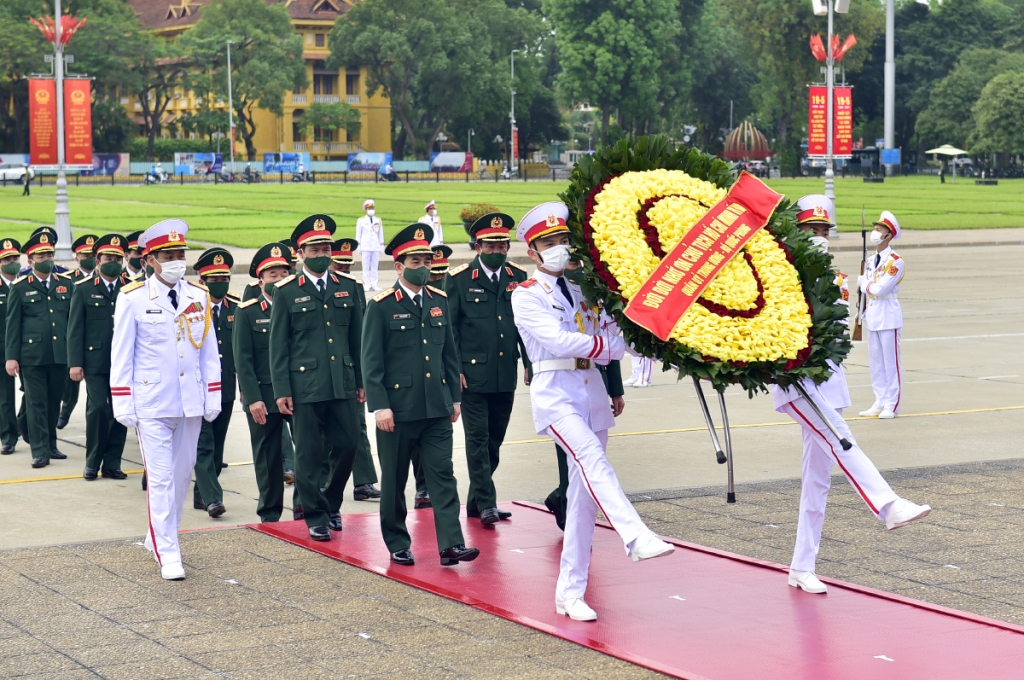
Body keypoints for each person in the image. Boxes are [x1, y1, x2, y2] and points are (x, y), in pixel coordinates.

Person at [511, 201, 674, 622]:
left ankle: (570, 592)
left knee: (582, 500)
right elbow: (561, 342)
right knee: (590, 458)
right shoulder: (526, 296)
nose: (559, 249)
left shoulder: (587, 292)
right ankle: (635, 534)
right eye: (549, 243)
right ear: (532, 251)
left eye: (564, 240)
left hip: (592, 394)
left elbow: (616, 334)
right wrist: (607, 347)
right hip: (557, 395)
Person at [774, 195, 930, 595]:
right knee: (842, 437)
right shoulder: (779, 274)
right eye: (813, 230)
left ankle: (801, 566)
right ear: (797, 232)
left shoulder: (835, 277)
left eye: (825, 231)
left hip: (827, 380)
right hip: (796, 381)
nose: (820, 238)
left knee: (818, 482)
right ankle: (887, 504)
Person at [110, 219, 221, 581]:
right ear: (150, 260)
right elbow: (121, 355)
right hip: (152, 401)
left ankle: (157, 534)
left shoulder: (199, 296)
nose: (176, 261)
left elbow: (209, 353)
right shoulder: (133, 298)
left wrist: (213, 393)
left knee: (181, 476)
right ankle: (168, 551)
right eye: (168, 255)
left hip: (190, 400)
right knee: (159, 479)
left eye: (180, 254)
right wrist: (122, 401)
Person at [362, 224, 478, 567]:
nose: (424, 266)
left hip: (436, 408)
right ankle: (397, 540)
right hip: (397, 411)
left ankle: (451, 545)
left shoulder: (439, 300)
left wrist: (454, 399)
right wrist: (380, 406)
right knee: (396, 480)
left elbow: (449, 355)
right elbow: (372, 362)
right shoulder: (381, 306)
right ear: (399, 266)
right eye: (416, 260)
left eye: (427, 259)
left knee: (443, 475)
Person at [269, 214, 366, 542]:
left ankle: (331, 502)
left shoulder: (349, 287)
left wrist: (362, 381)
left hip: (342, 382)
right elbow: (278, 345)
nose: (322, 253)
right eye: (315, 249)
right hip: (305, 386)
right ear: (300, 252)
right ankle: (315, 515)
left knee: (349, 444)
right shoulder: (285, 292)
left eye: (326, 247)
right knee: (309, 455)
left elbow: (357, 339)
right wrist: (282, 388)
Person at [445, 213, 530, 525]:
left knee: (495, 439)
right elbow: (449, 329)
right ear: (477, 246)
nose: (497, 249)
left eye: (502, 244)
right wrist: (454, 370)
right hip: (472, 375)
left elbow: (525, 326)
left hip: (505, 371)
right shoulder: (459, 278)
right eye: (490, 244)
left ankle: (475, 501)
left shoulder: (518, 277)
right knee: (478, 439)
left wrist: (530, 364)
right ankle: (488, 503)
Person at [545, 257, 625, 530]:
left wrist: (616, 390)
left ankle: (564, 501)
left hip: (594, 377)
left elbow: (608, 339)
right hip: (563, 381)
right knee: (573, 454)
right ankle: (570, 515)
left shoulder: (594, 283)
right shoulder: (548, 289)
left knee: (590, 458)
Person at [234, 243, 294, 522]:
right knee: (268, 456)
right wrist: (253, 398)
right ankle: (270, 512)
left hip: (297, 392)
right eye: (273, 276)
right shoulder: (247, 312)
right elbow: (243, 360)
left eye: (284, 274)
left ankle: (306, 507)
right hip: (263, 394)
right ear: (260, 281)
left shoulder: (299, 307)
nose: (279, 280)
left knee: (308, 453)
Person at [4, 231, 73, 468]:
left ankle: (52, 444)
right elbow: (13, 326)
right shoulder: (21, 287)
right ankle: (40, 450)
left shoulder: (66, 284)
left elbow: (73, 323)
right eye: (41, 255)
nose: (47, 258)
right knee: (36, 403)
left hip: (59, 353)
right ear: (30, 260)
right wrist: (11, 358)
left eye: (49, 254)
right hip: (31, 356)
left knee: (54, 401)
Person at [67, 233, 130, 480]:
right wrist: (75, 363)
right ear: (97, 260)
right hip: (94, 362)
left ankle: (112, 462)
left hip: (124, 362)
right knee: (98, 409)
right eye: (108, 257)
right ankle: (92, 461)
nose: (112, 261)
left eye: (117, 257)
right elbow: (75, 329)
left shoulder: (130, 289)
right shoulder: (83, 289)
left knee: (120, 411)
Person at [330, 238, 382, 502]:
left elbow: (359, 331)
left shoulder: (353, 287)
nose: (344, 270)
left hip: (349, 368)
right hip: (321, 373)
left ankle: (363, 482)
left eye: (348, 266)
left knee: (357, 426)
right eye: (339, 265)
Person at [190, 248, 239, 518]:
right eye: (213, 278)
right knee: (204, 443)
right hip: (199, 387)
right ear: (202, 280)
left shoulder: (237, 307)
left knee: (217, 445)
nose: (219, 282)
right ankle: (212, 498)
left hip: (226, 388)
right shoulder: (193, 308)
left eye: (224, 277)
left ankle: (201, 493)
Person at [858, 210, 904, 419]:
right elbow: (868, 292)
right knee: (876, 362)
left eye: (879, 230)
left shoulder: (895, 261)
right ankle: (879, 400)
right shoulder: (869, 260)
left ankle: (891, 404)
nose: (875, 233)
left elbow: (880, 289)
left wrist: (864, 283)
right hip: (873, 315)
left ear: (889, 235)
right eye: (875, 230)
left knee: (890, 363)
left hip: (888, 315)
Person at [56, 234, 99, 431]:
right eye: (84, 254)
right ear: (77, 257)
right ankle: (66, 410)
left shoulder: (106, 279)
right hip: (72, 337)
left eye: (92, 254)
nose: (88, 258)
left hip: (96, 339)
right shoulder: (67, 280)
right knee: (70, 382)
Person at [0, 238, 23, 455]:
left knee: (34, 394)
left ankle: (22, 424)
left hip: (29, 348)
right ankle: (8, 436)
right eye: (7, 259)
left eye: (15, 257)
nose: (12, 262)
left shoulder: (26, 282)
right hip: (2, 350)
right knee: (6, 397)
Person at [355, 200, 385, 291]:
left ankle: (374, 284)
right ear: (365, 209)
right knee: (366, 266)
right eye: (369, 208)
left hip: (375, 246)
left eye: (372, 208)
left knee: (375, 267)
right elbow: (358, 234)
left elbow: (380, 234)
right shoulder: (361, 220)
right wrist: (358, 246)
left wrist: (381, 245)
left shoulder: (378, 220)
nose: (371, 210)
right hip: (365, 246)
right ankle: (367, 284)